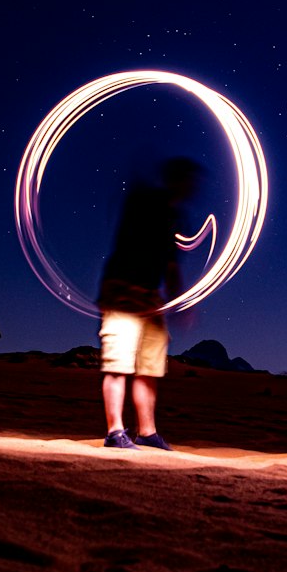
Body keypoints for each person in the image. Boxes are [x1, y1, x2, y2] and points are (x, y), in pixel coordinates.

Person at [98, 157, 201, 450]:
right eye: (188, 180)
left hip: (151, 301)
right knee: (118, 363)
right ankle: (115, 432)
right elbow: (130, 233)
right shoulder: (145, 202)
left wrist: (181, 301)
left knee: (149, 369)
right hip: (123, 292)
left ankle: (147, 433)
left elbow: (170, 264)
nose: (193, 188)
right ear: (175, 180)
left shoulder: (175, 216)